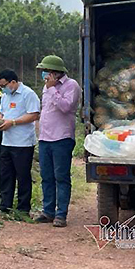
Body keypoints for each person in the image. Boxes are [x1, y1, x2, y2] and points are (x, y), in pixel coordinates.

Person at [34, 55, 81, 227]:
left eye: (46, 71)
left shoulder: (71, 86)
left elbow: (66, 107)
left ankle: (61, 214)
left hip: (61, 138)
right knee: (46, 176)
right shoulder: (46, 88)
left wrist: (53, 89)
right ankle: (48, 211)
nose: (44, 74)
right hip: (45, 138)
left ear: (55, 72)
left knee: (61, 176)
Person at [0, 69, 40, 215]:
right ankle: (5, 205)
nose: (3, 88)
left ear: (13, 82)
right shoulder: (5, 96)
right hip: (6, 141)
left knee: (23, 175)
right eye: (1, 86)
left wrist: (13, 122)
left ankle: (23, 208)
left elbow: (33, 115)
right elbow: (2, 111)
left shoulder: (28, 94)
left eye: (4, 85)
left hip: (23, 143)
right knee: (6, 174)